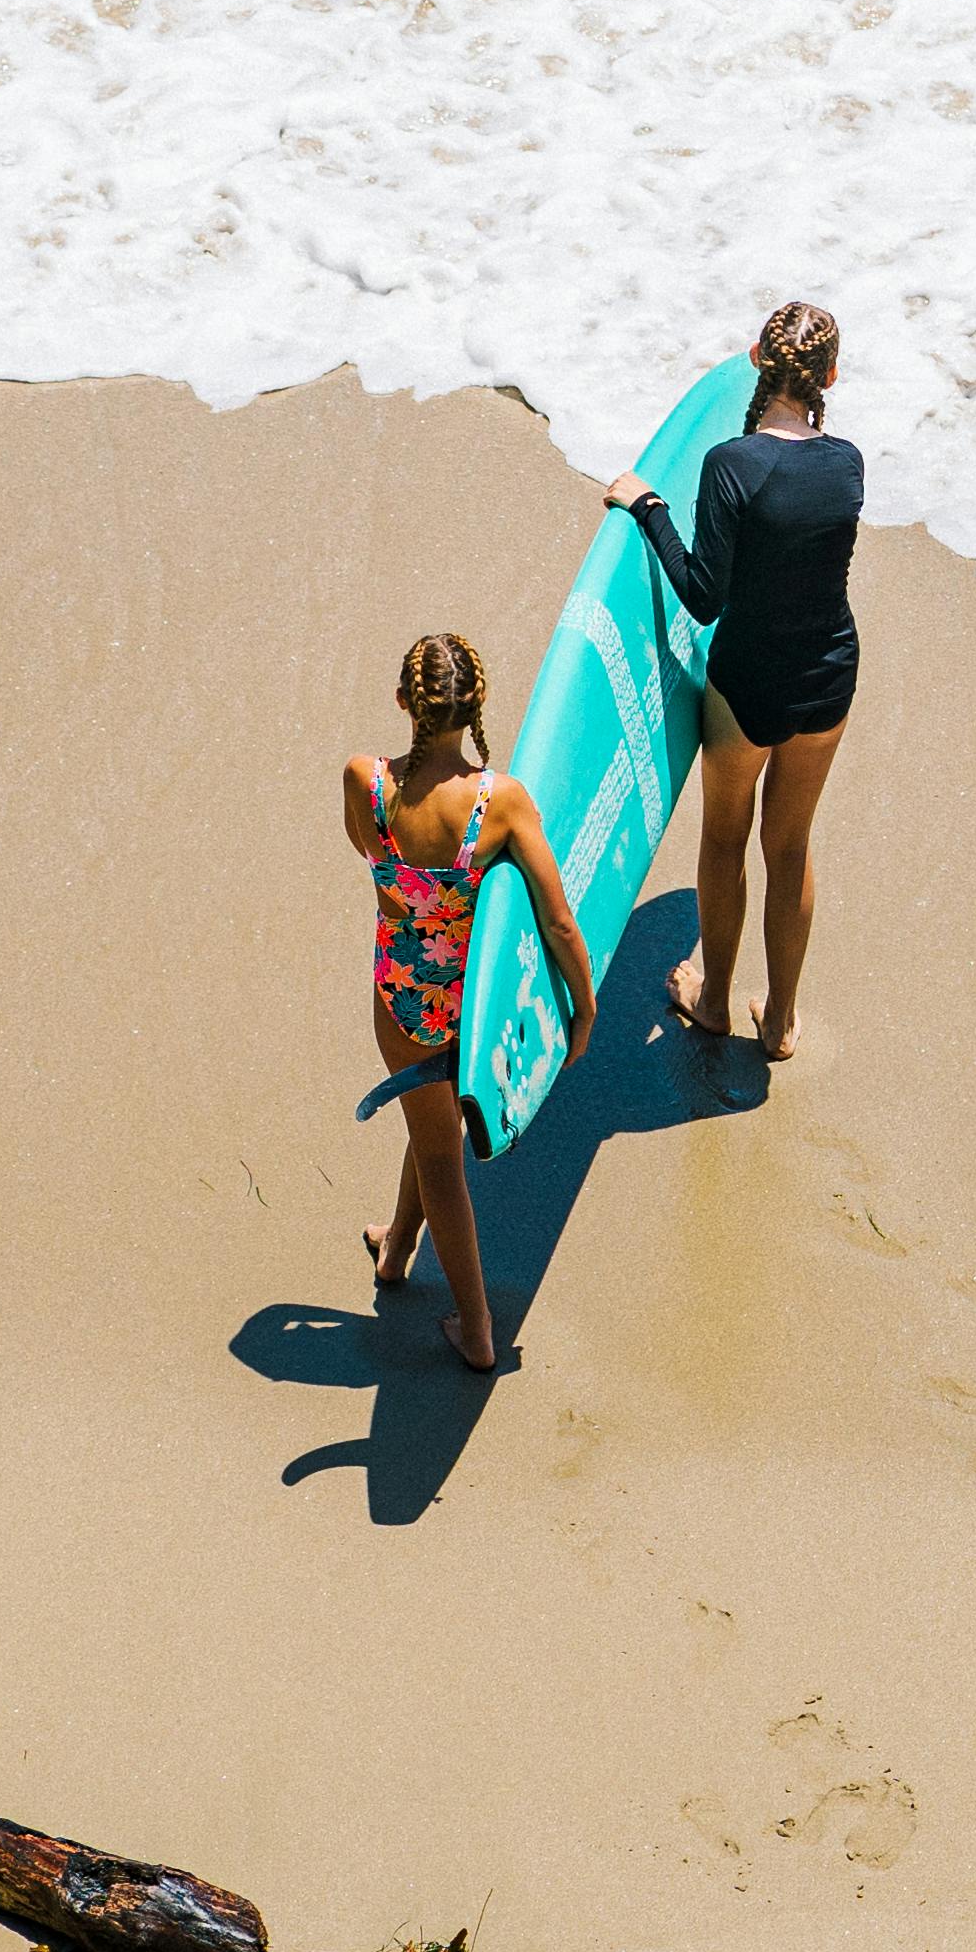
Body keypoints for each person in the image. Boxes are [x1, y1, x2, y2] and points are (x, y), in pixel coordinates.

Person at [604, 300, 860, 1062]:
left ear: (756, 357)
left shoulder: (732, 466)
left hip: (749, 683)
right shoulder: (846, 464)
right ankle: (779, 1022)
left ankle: (713, 1000)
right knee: (790, 845)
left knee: (724, 836)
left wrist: (647, 508)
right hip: (827, 676)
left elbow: (704, 594)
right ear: (832, 377)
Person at [344, 631, 591, 1374]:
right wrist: (582, 1008)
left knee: (431, 1132)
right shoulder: (500, 802)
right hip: (478, 1006)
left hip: (402, 1000)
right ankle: (478, 1327)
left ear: (403, 703)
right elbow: (555, 920)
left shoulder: (365, 781)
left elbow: (372, 860)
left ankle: (397, 1250)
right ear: (477, 706)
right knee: (440, 1150)